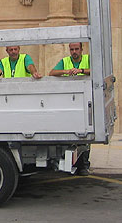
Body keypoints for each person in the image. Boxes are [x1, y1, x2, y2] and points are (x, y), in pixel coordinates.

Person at [49, 42, 91, 175]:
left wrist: (81, 71)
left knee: (85, 136)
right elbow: (52, 73)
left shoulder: (88, 59)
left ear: (81, 49)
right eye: (72, 49)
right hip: (70, 103)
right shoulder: (66, 61)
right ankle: (70, 164)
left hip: (85, 102)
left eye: (76, 49)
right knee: (71, 137)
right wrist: (66, 71)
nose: (74, 52)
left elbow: (97, 70)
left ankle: (83, 165)